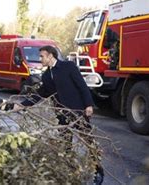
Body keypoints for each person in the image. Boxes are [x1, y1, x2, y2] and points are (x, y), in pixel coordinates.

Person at [35, 45, 104, 184]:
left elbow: (82, 86)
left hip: (77, 111)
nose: (40, 59)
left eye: (42, 56)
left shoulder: (68, 66)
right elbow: (41, 94)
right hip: (61, 115)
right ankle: (68, 172)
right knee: (66, 144)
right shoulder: (46, 75)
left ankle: (98, 171)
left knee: (89, 142)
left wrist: (88, 104)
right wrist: (22, 104)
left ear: (50, 56)